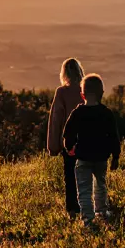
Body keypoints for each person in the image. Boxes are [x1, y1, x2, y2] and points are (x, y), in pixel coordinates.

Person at [62, 73, 121, 225]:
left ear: (82, 95)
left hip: (83, 157)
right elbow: (114, 136)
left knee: (84, 189)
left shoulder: (78, 112)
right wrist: (116, 156)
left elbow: (67, 133)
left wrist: (70, 147)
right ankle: (101, 212)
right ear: (102, 93)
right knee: (100, 185)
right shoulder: (106, 113)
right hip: (101, 157)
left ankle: (87, 218)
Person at [47, 58, 85, 217]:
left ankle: (72, 210)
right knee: (87, 176)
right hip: (88, 141)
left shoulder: (61, 92)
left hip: (69, 143)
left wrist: (53, 146)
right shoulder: (86, 90)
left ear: (64, 73)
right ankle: (88, 207)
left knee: (70, 177)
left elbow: (56, 120)